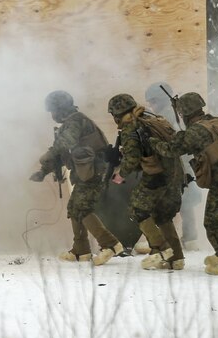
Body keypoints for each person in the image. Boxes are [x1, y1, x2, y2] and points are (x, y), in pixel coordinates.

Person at [151, 92, 218, 275]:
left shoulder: (196, 130)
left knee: (213, 223)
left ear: (186, 112)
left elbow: (172, 149)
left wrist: (153, 142)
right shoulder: (215, 121)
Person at [30, 90, 122, 266]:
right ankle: (81, 250)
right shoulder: (72, 122)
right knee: (74, 207)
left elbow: (64, 144)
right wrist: (43, 171)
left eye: (53, 111)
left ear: (61, 109)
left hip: (93, 170)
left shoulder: (75, 121)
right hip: (85, 171)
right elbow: (62, 152)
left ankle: (110, 244)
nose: (52, 115)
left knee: (81, 207)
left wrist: (45, 158)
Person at [107, 93, 185, 270]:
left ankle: (160, 248)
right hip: (175, 173)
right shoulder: (153, 118)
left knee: (137, 209)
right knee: (163, 214)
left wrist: (119, 175)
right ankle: (176, 257)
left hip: (157, 176)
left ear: (117, 114)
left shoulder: (131, 127)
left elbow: (132, 159)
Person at [145, 82, 202, 250]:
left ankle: (171, 241)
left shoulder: (166, 117)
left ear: (162, 99)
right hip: (184, 162)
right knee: (186, 202)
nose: (152, 106)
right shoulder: (176, 114)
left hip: (178, 163)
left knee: (174, 202)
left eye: (153, 101)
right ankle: (190, 239)